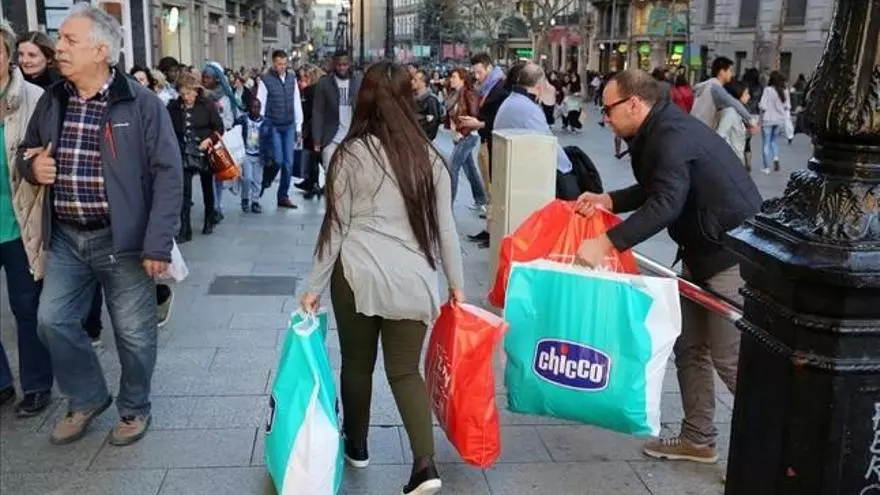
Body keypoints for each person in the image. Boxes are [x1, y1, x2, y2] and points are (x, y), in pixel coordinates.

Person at [574, 69, 761, 464]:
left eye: (608, 109)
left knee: (729, 358)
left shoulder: (670, 136)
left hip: (730, 255)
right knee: (689, 346)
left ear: (633, 104)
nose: (605, 118)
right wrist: (609, 200)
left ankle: (772, 457)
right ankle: (698, 438)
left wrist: (607, 242)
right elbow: (657, 187)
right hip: (701, 250)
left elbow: (665, 204)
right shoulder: (655, 130)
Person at [16, 4, 182, 446]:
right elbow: (27, 152)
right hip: (67, 237)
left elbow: (169, 174)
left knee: (134, 333)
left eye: (70, 40)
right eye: (60, 39)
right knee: (51, 321)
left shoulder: (141, 104)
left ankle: (134, 408)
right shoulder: (54, 99)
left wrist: (157, 243)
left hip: (123, 241)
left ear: (101, 51)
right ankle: (88, 397)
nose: (59, 48)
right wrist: (33, 169)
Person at [299, 61, 464, 495]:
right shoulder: (431, 158)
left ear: (363, 100)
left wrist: (313, 287)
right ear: (409, 100)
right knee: (405, 371)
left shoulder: (348, 155)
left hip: (357, 274)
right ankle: (425, 465)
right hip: (414, 278)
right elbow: (446, 228)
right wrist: (456, 284)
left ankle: (357, 445)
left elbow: (335, 228)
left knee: (357, 364)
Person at [0, 18, 54, 417]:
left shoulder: (34, 98)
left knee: (27, 307)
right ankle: (1, 382)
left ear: (8, 56)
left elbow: (47, 153)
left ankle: (36, 385)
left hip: (20, 221)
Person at [494, 62, 580, 200]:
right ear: (540, 85)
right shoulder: (529, 109)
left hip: (510, 171)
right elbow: (551, 148)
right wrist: (569, 170)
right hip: (524, 178)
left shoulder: (511, 100)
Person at [458, 52, 508, 248]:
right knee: (490, 188)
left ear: (489, 68)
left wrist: (477, 123)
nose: (477, 77)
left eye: (479, 72)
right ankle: (489, 229)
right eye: (475, 72)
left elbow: (498, 119)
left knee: (493, 188)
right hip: (486, 140)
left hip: (492, 141)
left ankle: (492, 230)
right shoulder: (488, 87)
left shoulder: (499, 87)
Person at [168, 72, 224, 240]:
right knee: (185, 192)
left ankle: (209, 219)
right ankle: (185, 229)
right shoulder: (173, 107)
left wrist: (209, 140)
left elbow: (219, 128)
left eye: (189, 93)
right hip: (183, 151)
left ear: (196, 90)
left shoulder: (207, 105)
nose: (186, 97)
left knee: (207, 187)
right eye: (183, 94)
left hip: (203, 150)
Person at [256, 49, 303, 209]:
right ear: (273, 63)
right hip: (273, 125)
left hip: (289, 125)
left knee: (289, 163)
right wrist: (260, 125)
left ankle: (283, 195)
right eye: (279, 64)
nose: (282, 67)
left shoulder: (292, 79)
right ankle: (267, 179)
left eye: (284, 64)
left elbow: (296, 101)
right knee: (277, 160)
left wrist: (299, 126)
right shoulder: (266, 80)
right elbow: (261, 102)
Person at [202, 61, 243, 219]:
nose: (205, 80)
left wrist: (217, 126)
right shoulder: (201, 95)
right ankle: (211, 206)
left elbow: (229, 119)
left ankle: (217, 205)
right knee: (208, 176)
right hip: (204, 139)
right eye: (204, 77)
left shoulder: (224, 97)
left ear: (217, 79)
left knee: (219, 176)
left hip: (219, 140)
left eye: (209, 77)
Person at [312, 50, 362, 176]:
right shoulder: (324, 83)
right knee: (330, 174)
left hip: (352, 137)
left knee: (352, 175)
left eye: (345, 64)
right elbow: (318, 112)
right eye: (339, 65)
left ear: (349, 64)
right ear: (334, 64)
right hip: (331, 138)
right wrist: (317, 140)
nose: (342, 68)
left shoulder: (358, 81)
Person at [445, 67, 487, 209]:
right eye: (451, 76)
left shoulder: (468, 94)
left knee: (453, 167)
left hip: (468, 135)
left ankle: (448, 204)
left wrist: (462, 133)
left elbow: (474, 117)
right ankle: (481, 199)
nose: (451, 79)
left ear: (462, 79)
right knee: (470, 168)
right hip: (460, 134)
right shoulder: (453, 94)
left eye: (454, 77)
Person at [691, 56, 756, 133]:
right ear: (722, 72)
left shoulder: (707, 85)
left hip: (694, 127)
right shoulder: (715, 88)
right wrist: (751, 120)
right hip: (702, 130)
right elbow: (733, 102)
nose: (732, 74)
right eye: (730, 71)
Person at [234, 96, 271, 213]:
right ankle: (245, 198)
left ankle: (255, 201)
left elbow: (270, 140)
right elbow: (235, 132)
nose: (255, 110)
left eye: (258, 107)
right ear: (249, 108)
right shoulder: (243, 120)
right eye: (253, 107)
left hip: (259, 155)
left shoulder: (266, 123)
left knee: (257, 180)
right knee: (247, 178)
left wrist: (269, 155)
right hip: (246, 154)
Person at [759, 71, 790, 174]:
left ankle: (766, 167)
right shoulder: (784, 91)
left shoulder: (767, 90)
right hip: (779, 120)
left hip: (768, 120)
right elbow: (787, 106)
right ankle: (776, 158)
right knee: (774, 141)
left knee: (766, 143)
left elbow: (763, 105)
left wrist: (760, 118)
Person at [716, 80, 750, 166]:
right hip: (731, 161)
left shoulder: (737, 112)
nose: (749, 96)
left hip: (737, 160)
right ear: (738, 94)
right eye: (746, 94)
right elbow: (720, 135)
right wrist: (730, 154)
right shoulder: (730, 112)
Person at [412, 69, 442, 140]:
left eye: (415, 80)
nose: (412, 82)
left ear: (423, 82)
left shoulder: (431, 100)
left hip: (421, 139)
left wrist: (426, 139)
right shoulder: (411, 97)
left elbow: (434, 123)